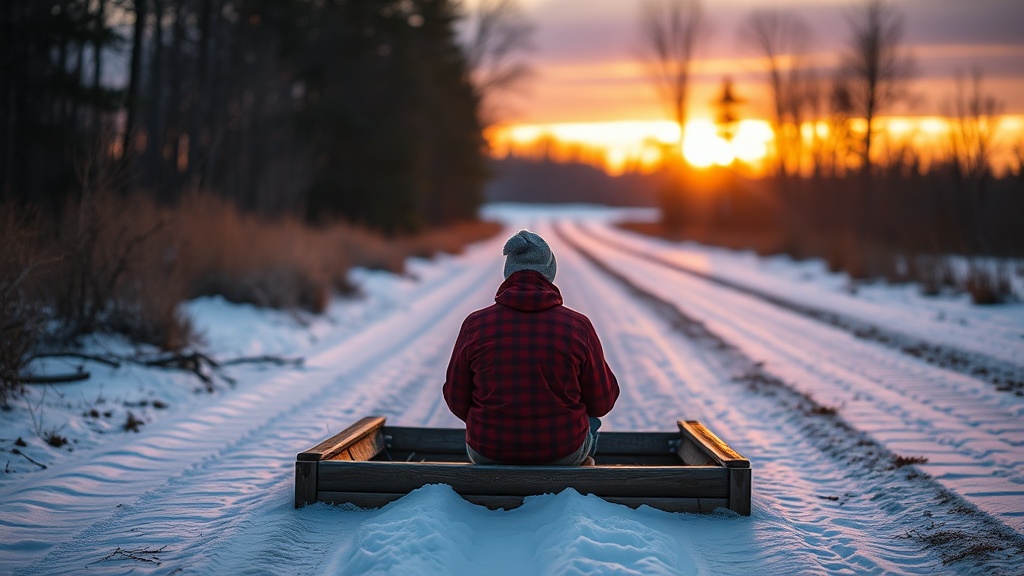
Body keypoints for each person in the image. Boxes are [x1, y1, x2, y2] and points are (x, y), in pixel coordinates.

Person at [443, 229, 619, 466]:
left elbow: (456, 399)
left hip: (487, 453)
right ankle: (579, 467)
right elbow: (602, 402)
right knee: (592, 422)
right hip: (561, 452)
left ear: (508, 273)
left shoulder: (475, 325)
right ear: (549, 273)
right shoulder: (578, 326)